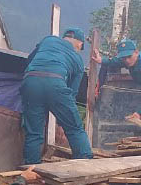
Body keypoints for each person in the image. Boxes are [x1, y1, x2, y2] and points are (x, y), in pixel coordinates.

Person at [21, 27, 95, 164]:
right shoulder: (78, 61)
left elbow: (29, 60)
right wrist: (63, 121)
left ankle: (30, 171)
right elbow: (72, 92)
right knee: (75, 129)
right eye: (81, 46)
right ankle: (85, 164)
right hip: (56, 83)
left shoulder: (48, 40)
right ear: (79, 43)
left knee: (34, 133)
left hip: (31, 82)